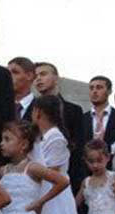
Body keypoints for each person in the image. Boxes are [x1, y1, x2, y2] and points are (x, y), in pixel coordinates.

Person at [34, 62, 85, 193]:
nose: (38, 78)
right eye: (36, 75)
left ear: (56, 78)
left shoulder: (73, 110)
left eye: (43, 74)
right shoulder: (30, 109)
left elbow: (78, 149)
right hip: (35, 180)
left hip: (64, 179)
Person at [82, 76, 115, 153]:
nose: (94, 91)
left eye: (99, 87)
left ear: (109, 91)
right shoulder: (82, 118)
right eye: (91, 88)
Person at [7, 57, 35, 121]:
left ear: (29, 76)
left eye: (15, 72)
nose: (9, 76)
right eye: (7, 73)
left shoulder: (42, 108)